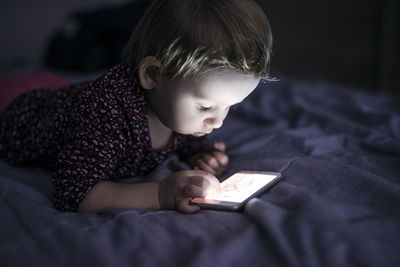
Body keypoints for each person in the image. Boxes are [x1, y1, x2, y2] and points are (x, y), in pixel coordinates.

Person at [0, 0, 272, 213]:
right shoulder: (106, 115)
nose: (218, 122)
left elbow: (181, 134)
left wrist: (198, 154)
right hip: (18, 116)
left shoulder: (171, 102)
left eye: (230, 107)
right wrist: (160, 194)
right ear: (153, 75)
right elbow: (73, 193)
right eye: (205, 108)